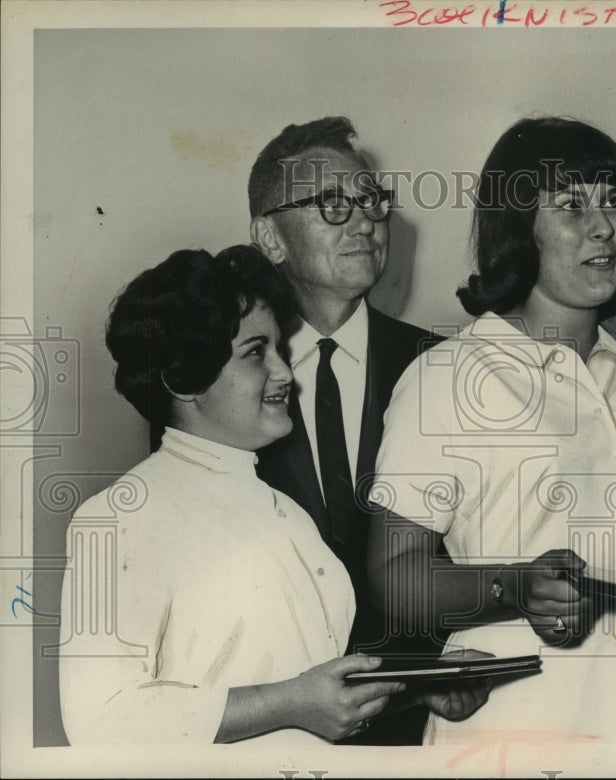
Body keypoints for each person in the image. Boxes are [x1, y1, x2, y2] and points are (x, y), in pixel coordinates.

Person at [367, 116, 616, 744]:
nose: (603, 225)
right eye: (570, 204)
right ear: (517, 229)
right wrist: (515, 587)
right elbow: (395, 574)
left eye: (613, 201)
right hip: (520, 724)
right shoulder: (450, 375)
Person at [58, 246, 489, 745]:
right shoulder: (119, 516)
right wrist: (291, 702)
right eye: (256, 352)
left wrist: (418, 688)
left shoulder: (287, 513)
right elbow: (98, 718)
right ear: (183, 379)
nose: (285, 372)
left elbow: (311, 694)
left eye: (280, 349)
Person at [247, 117, 444, 744]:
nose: (365, 221)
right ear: (270, 238)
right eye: (333, 203)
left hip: (425, 724)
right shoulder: (216, 378)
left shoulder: (444, 367)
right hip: (274, 730)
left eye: (371, 201)